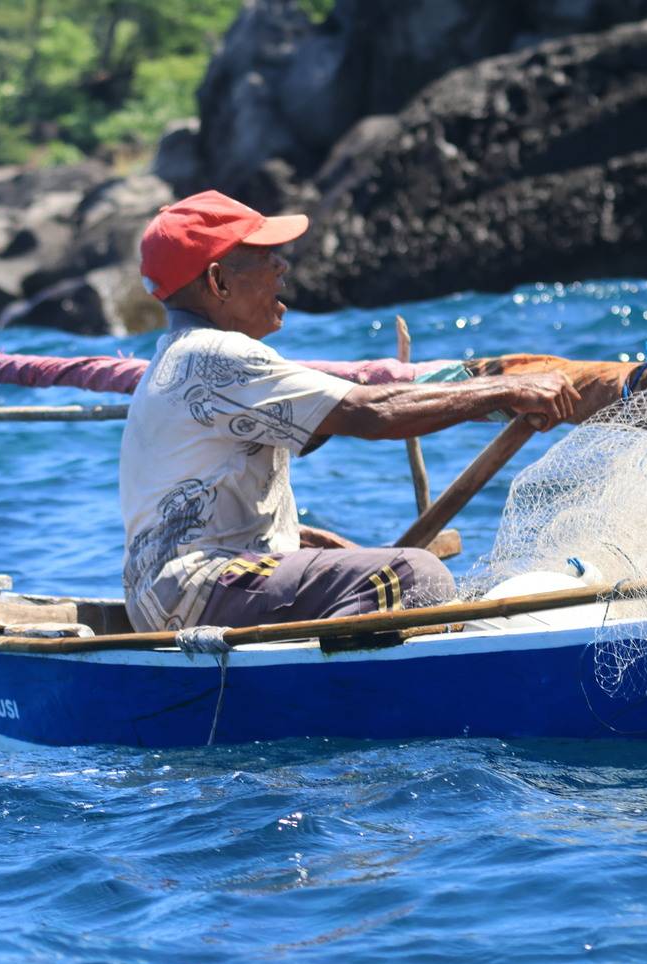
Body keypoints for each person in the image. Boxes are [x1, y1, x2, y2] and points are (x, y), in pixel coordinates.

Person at [120, 190, 582, 633]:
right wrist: (506, 390)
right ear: (218, 281)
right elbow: (372, 413)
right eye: (265, 257)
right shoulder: (218, 354)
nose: (282, 266)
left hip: (166, 596)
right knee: (413, 577)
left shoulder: (177, 358)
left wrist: (296, 540)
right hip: (196, 592)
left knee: (378, 573)